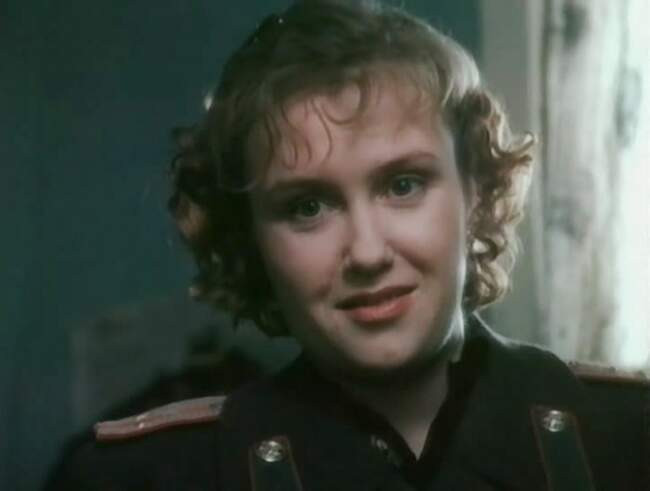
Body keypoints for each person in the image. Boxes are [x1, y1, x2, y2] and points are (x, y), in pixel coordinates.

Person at [46, 1, 648, 489]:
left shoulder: (628, 436)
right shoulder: (144, 477)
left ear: (474, 192)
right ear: (251, 237)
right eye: (307, 207)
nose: (367, 253)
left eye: (403, 185)